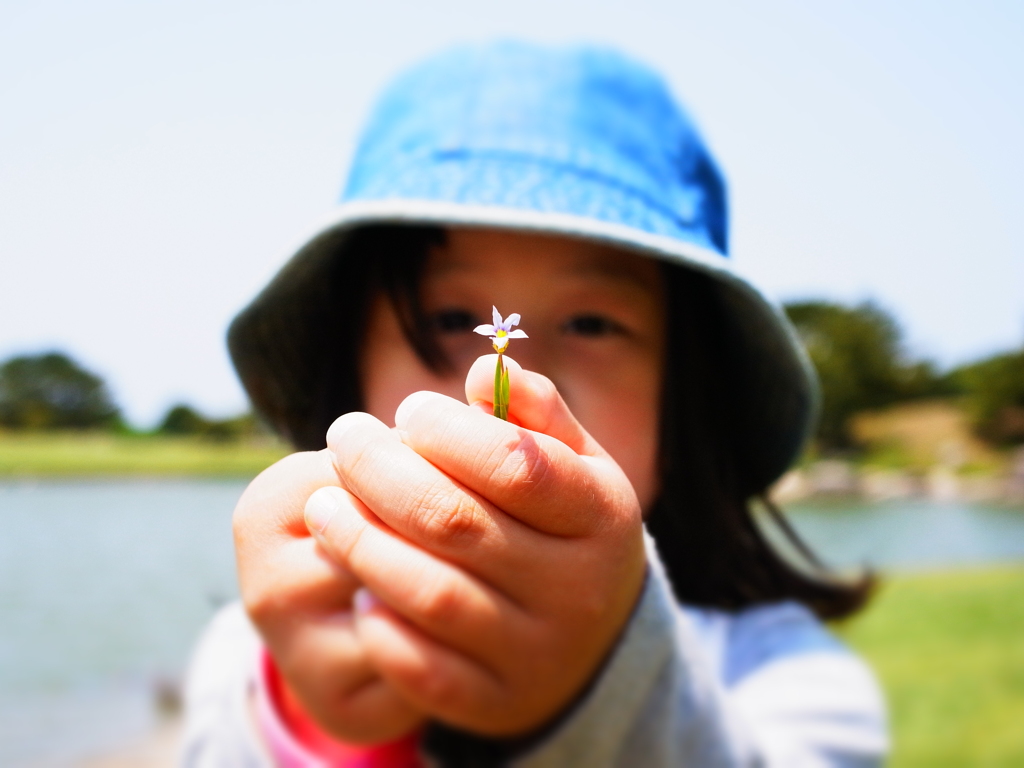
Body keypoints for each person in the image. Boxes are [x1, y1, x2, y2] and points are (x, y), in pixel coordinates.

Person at [181, 42, 888, 767]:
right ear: (348, 368)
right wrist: (311, 716)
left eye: (591, 324)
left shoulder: (791, 676)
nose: (518, 371)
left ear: (686, 396)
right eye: (451, 320)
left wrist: (594, 678)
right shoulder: (251, 650)